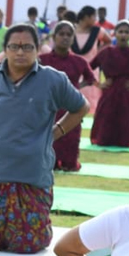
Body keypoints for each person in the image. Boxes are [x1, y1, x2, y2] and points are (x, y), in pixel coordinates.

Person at [0, 23, 88, 253]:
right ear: (6, 49)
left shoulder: (53, 80)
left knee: (30, 244)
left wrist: (56, 131)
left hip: (31, 173)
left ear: (38, 49)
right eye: (14, 46)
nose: (20, 52)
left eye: (27, 47)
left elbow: (80, 107)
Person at [39, 20, 96, 172]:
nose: (65, 37)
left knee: (70, 137)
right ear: (54, 36)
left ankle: (69, 163)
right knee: (47, 137)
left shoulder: (79, 61)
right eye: (61, 34)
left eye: (69, 34)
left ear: (73, 38)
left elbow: (90, 78)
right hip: (47, 107)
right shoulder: (42, 60)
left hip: (71, 107)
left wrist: (76, 88)